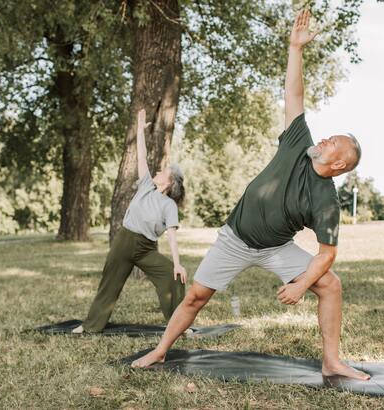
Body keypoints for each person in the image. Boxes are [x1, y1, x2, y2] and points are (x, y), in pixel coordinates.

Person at [132, 9, 369, 381]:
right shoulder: (299, 143)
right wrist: (295, 48)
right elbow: (294, 93)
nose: (325, 139)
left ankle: (332, 362)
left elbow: (327, 254)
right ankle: (160, 352)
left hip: (275, 247)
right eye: (329, 135)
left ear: (339, 164)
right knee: (195, 297)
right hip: (235, 238)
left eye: (334, 142)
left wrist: (302, 284)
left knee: (331, 285)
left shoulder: (326, 200)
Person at [72, 108, 187, 333]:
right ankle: (91, 326)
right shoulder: (145, 185)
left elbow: (172, 236)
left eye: (163, 172)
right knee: (109, 283)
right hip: (124, 242)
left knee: (173, 277)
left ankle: (179, 326)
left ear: (168, 182)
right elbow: (141, 155)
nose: (158, 171)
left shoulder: (169, 206)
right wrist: (140, 128)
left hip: (146, 248)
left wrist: (177, 263)